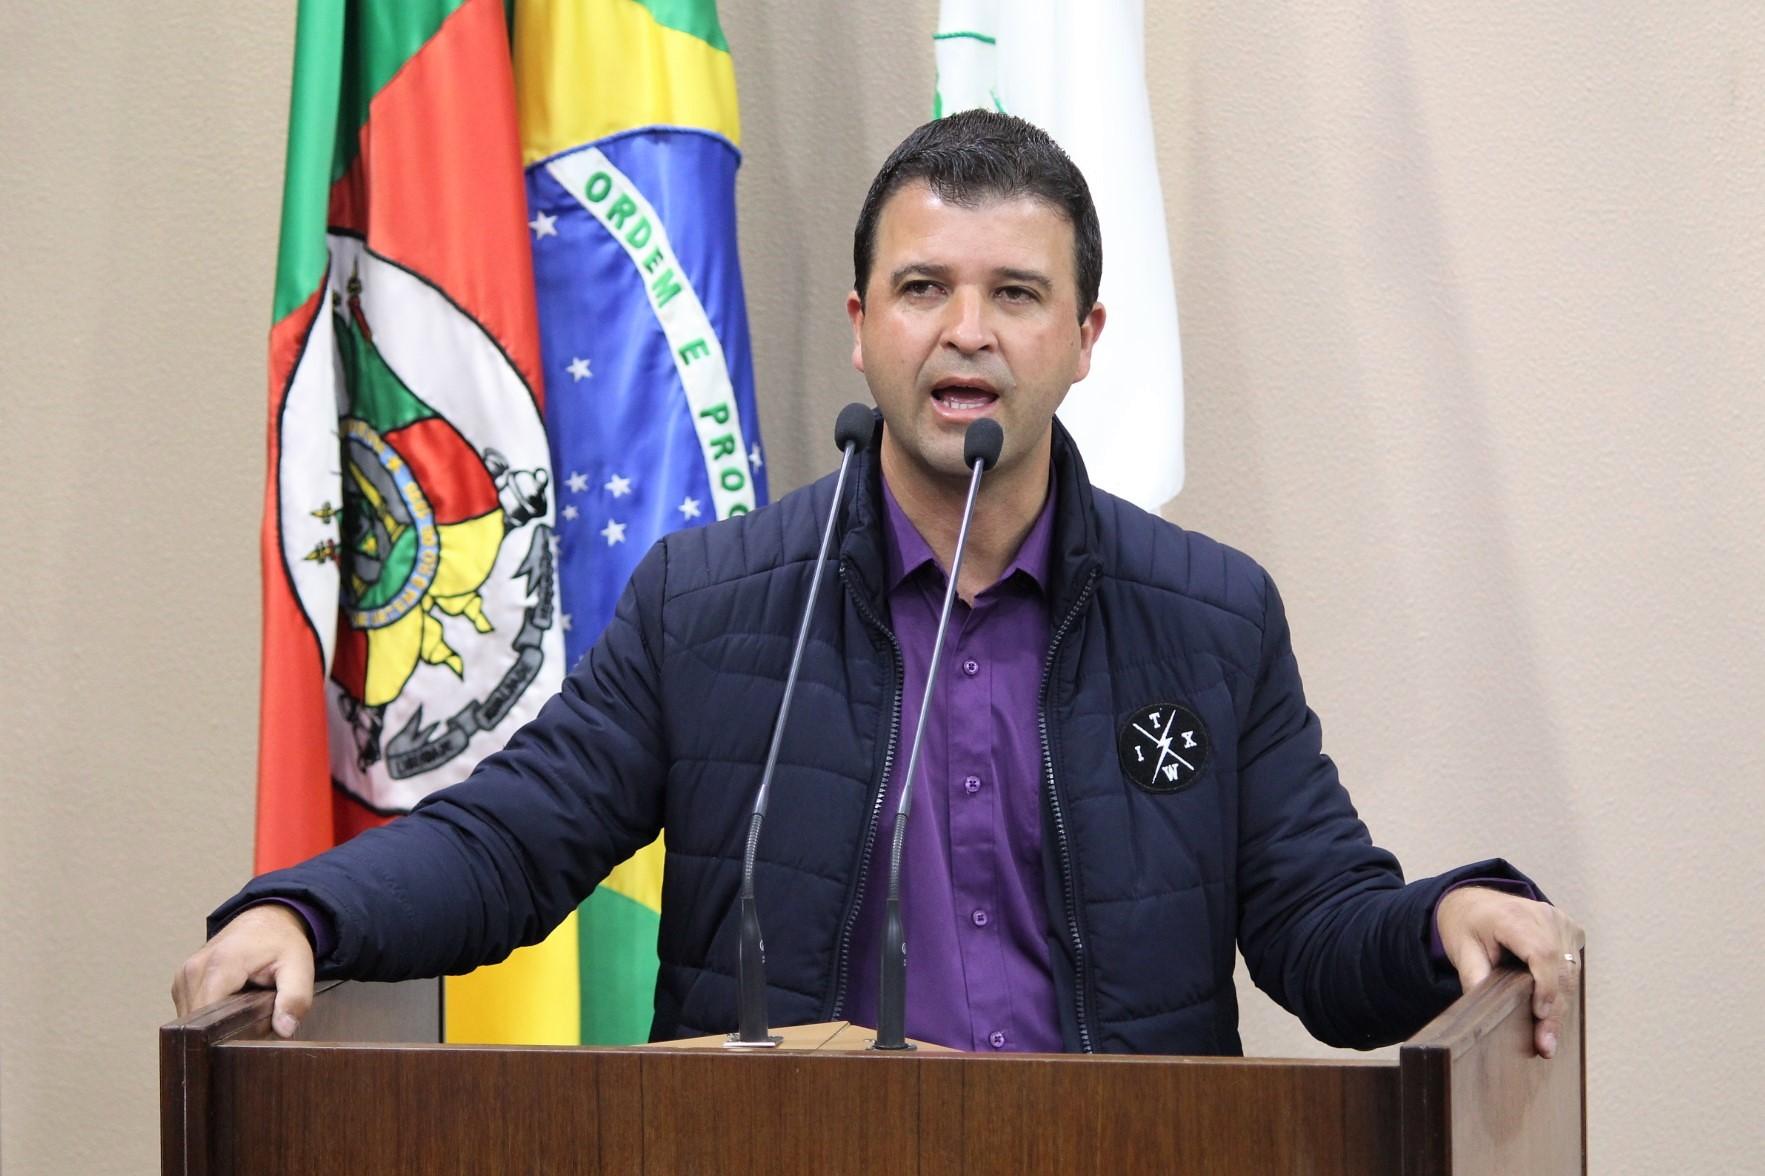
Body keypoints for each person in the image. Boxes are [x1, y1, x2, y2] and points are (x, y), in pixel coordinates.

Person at [175, 111, 1581, 1057]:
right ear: (860, 328)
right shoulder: (713, 605)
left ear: (1085, 336)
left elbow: (1313, 920)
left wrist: (1434, 920)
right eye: (921, 289)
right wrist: (306, 911)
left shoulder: (1207, 618)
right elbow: (511, 840)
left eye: (1015, 294)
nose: (965, 332)